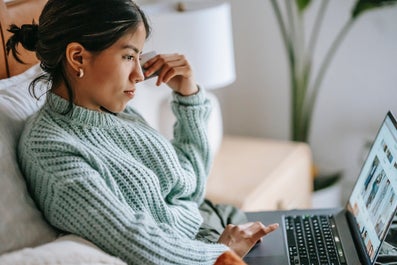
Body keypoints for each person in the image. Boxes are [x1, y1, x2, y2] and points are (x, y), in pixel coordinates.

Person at [6, 0, 278, 264]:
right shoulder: (49, 148)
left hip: (212, 223)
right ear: (78, 57)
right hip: (201, 252)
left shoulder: (116, 113)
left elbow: (189, 188)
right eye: (127, 56)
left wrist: (189, 97)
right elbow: (134, 241)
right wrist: (222, 254)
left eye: (138, 56)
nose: (138, 74)